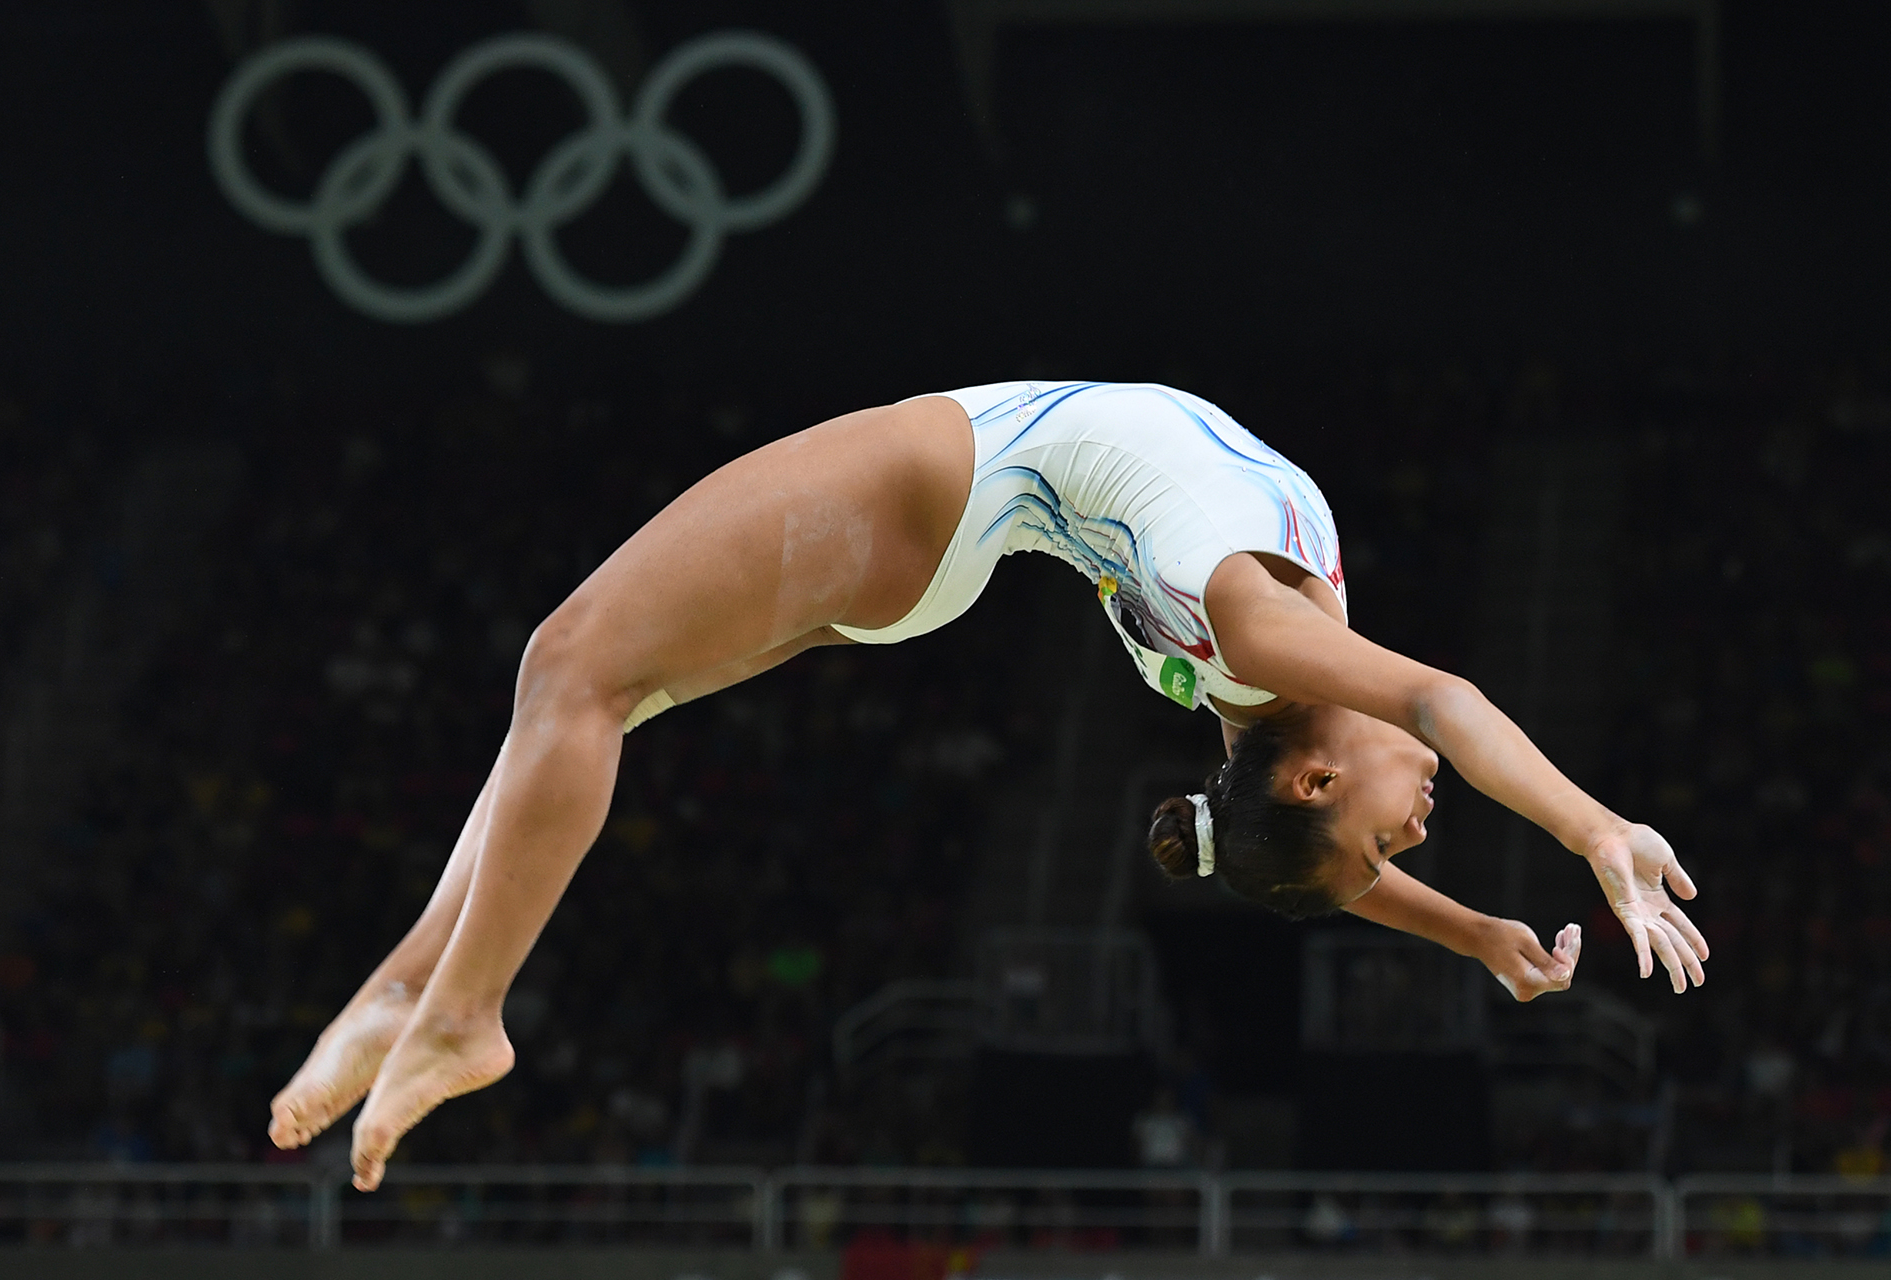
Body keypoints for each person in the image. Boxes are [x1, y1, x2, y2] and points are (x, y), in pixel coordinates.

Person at [265, 380, 1708, 1190]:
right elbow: (1328, 843)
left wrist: (1595, 833)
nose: (1422, 819)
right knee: (585, 692)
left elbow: (1440, 716)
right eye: (1410, 837)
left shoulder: (1270, 652)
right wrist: (1478, 935)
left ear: (1317, 770)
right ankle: (416, 984)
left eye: (1403, 827)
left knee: (573, 664)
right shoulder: (1255, 688)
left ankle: (461, 1012)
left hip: (933, 488)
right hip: (945, 543)